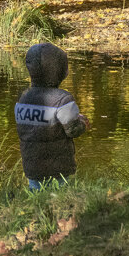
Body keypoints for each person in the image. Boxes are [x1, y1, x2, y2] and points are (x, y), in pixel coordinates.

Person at [14, 43, 90, 190]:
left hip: (32, 167)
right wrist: (81, 122)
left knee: (36, 197)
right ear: (59, 71)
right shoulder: (63, 99)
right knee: (60, 197)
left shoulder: (23, 98)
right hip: (58, 168)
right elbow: (72, 130)